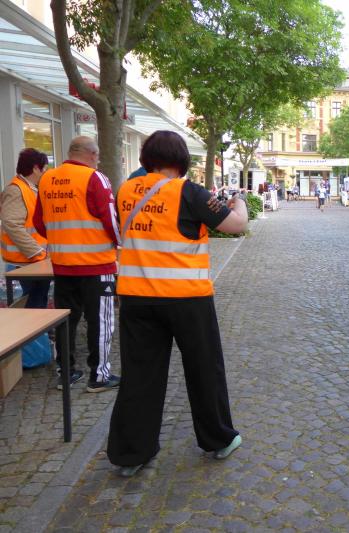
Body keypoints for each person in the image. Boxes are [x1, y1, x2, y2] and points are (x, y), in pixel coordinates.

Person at [107, 130, 248, 477]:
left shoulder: (126, 191)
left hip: (137, 298)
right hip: (186, 299)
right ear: (182, 159)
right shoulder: (188, 192)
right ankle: (218, 439)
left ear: (147, 158)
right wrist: (240, 202)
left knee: (140, 374)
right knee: (204, 369)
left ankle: (131, 453)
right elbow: (236, 225)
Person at [34, 136, 120, 392]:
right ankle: (99, 376)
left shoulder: (47, 179)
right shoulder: (95, 178)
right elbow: (110, 219)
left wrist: (62, 240)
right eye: (97, 156)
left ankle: (66, 372)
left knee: (66, 320)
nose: (98, 161)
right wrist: (120, 244)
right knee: (100, 321)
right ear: (92, 154)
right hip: (97, 264)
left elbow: (39, 222)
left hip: (62, 264)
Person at [1, 148, 50, 309]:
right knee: (34, 303)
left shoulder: (28, 188)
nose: (45, 173)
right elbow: (12, 224)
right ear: (35, 168)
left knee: (38, 300)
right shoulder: (16, 190)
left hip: (33, 259)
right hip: (27, 261)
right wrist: (37, 252)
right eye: (44, 168)